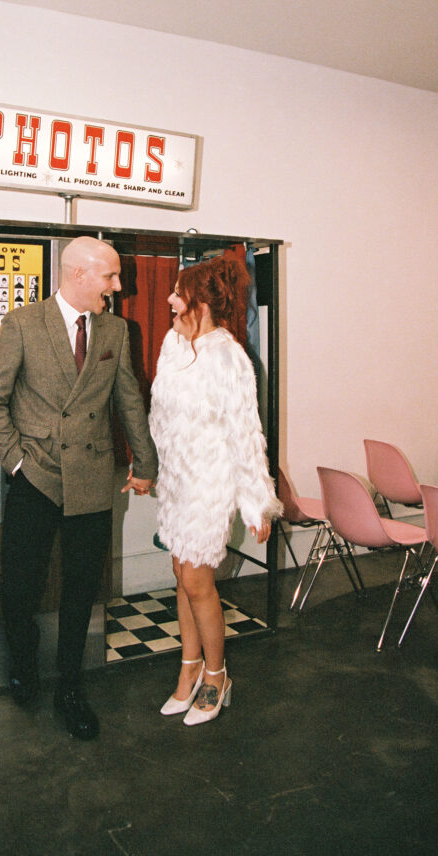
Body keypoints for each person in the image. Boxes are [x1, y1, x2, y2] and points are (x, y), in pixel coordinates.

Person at [0, 236, 157, 740]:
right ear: (78, 274)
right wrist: (15, 461)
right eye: (110, 277)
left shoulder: (116, 331)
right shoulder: (24, 324)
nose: (118, 287)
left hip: (92, 479)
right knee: (20, 586)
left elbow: (129, 402)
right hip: (34, 477)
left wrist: (144, 463)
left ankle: (70, 689)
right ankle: (23, 662)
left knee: (81, 591)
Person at [149, 255, 282, 727]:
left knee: (199, 583)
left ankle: (216, 675)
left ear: (200, 301)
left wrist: (255, 503)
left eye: (178, 292)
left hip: (210, 484)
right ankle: (187, 670)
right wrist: (154, 471)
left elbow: (246, 436)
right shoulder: (173, 344)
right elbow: (159, 417)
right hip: (177, 482)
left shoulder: (230, 358)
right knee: (181, 577)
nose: (169, 299)